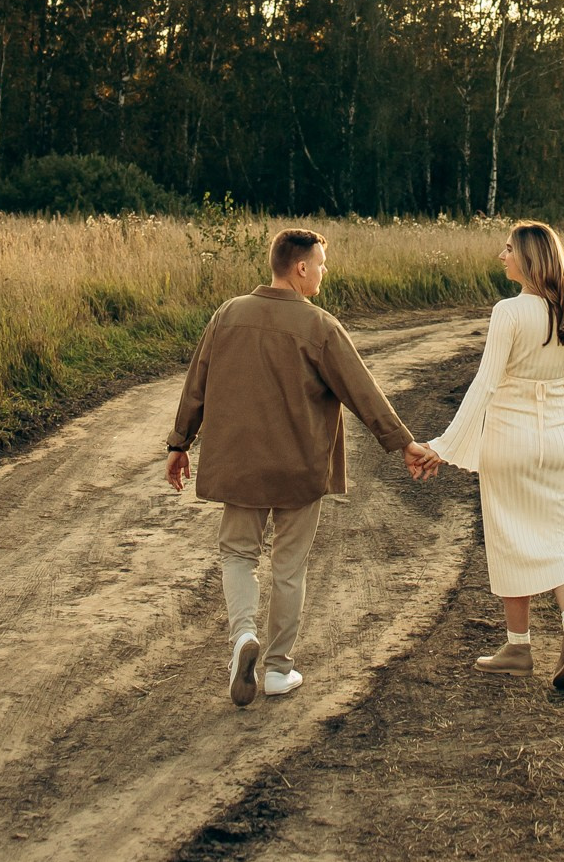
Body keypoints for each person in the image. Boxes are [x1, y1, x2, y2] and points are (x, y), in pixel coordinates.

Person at [166, 227, 425, 707]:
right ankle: (279, 670)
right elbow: (362, 392)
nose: (324, 273)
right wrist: (402, 443)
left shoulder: (228, 314)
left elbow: (196, 382)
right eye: (321, 264)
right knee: (289, 565)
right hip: (300, 467)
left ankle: (243, 636)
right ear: (300, 267)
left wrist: (179, 442)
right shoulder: (320, 327)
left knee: (238, 554)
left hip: (240, 464)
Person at [415, 220, 564, 689]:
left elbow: (485, 384)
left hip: (509, 439)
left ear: (530, 258)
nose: (502, 255)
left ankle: (519, 645)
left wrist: (442, 445)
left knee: (509, 537)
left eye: (508, 248)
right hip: (557, 441)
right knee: (560, 536)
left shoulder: (509, 312)